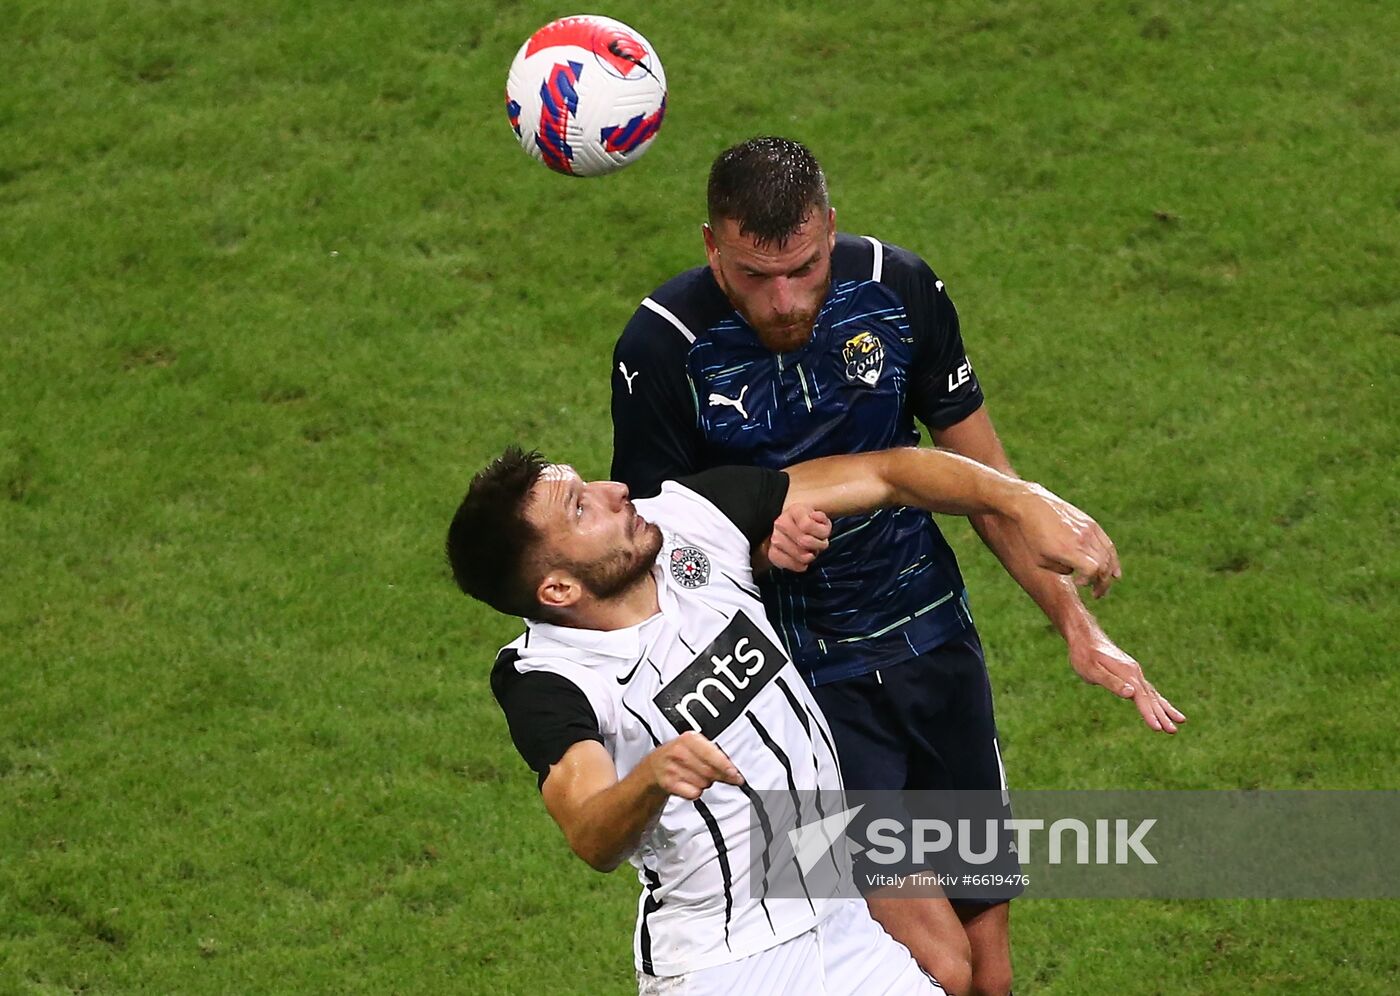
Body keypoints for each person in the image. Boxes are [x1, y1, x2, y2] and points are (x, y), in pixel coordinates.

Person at [609, 136, 1187, 995]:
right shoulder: (663, 350)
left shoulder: (898, 289)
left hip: (934, 649)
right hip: (803, 691)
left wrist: (1076, 623)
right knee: (934, 969)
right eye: (753, 275)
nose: (782, 300)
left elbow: (987, 481)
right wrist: (756, 546)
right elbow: (654, 553)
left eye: (803, 268)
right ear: (711, 248)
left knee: (988, 973)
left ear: (831, 232)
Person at [445, 443, 1120, 996]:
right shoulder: (549, 679)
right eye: (582, 507)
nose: (616, 488)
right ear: (558, 589)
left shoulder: (690, 517)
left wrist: (1024, 500)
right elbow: (591, 832)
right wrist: (649, 778)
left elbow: (888, 473)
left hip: (839, 916)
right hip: (723, 962)